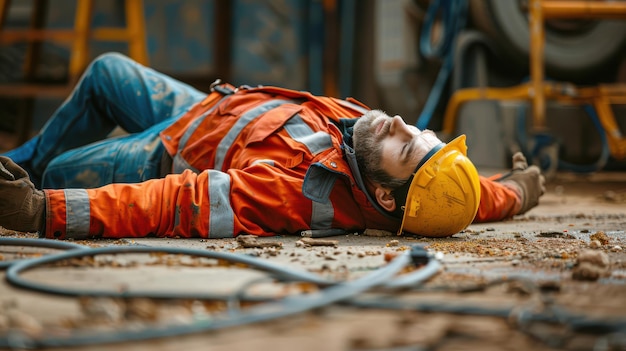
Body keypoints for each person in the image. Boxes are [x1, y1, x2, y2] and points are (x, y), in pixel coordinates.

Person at [0, 53, 545, 240]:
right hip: (206, 107)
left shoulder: (304, 194)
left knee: (59, 174)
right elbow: (465, 198)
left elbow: (180, 202)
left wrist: (41, 212)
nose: (400, 122)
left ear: (381, 196)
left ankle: (25, 178)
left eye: (405, 146)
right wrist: (517, 191)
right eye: (419, 133)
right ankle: (15, 162)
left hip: (166, 151)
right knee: (107, 72)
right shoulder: (376, 148)